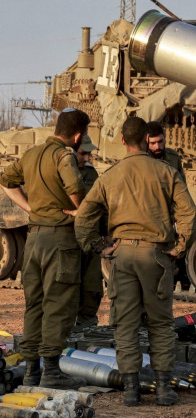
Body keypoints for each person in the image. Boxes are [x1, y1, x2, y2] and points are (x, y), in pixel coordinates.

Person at [75, 117, 196, 407]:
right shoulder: (167, 172)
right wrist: (179, 248)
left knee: (126, 325)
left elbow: (83, 218)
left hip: (124, 256)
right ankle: (164, 388)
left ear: (121, 141)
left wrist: (97, 247)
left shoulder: (109, 176)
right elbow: (189, 216)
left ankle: (131, 389)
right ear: (146, 138)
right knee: (161, 323)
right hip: (156, 256)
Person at [0, 108, 89, 389]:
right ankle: (51, 370)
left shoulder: (31, 154)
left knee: (34, 305)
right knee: (58, 305)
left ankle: (31, 370)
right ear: (76, 135)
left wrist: (29, 208)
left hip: (34, 239)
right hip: (59, 241)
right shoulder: (64, 156)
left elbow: (5, 180)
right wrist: (80, 210)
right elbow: (75, 185)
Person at [147, 121, 191, 292]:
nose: (158, 146)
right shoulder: (142, 160)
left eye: (161, 142)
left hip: (170, 216)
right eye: (153, 143)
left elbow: (182, 188)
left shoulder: (173, 158)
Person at [73, 135, 103, 331]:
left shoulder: (92, 174)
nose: (87, 158)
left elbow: (102, 203)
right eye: (83, 153)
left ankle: (86, 328)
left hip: (91, 239)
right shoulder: (60, 170)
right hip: (68, 238)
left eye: (89, 154)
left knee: (92, 287)